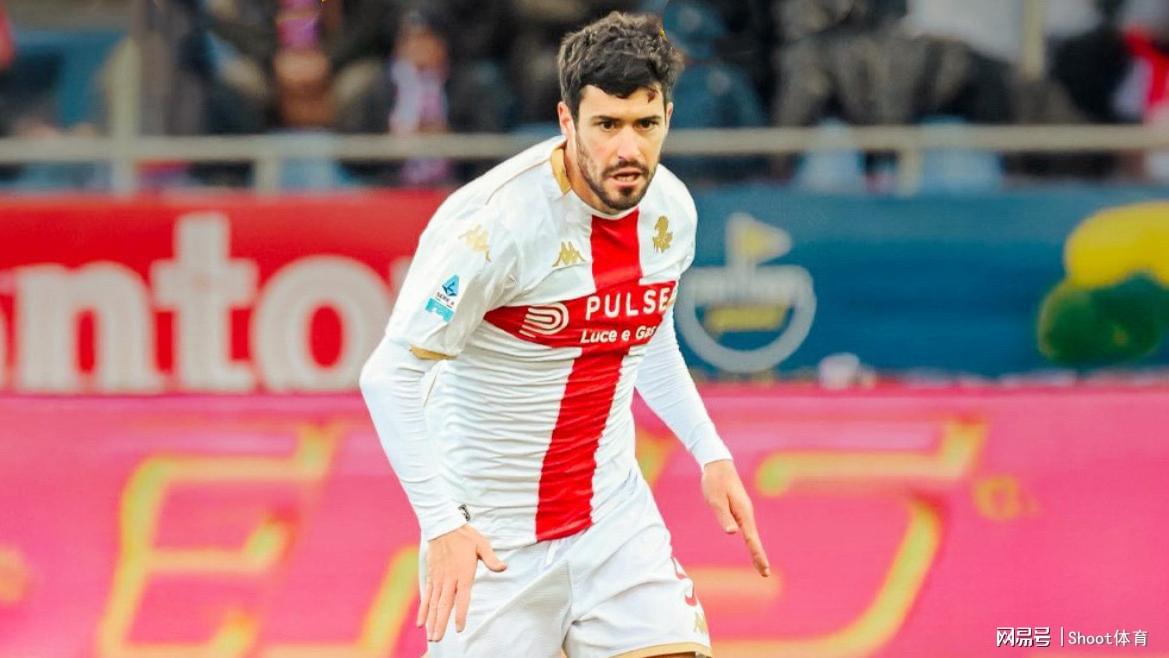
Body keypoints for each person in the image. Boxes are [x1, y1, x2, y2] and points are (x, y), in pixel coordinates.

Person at [359, 12, 769, 658]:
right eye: (606, 125)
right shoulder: (495, 227)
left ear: (668, 117)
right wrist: (440, 525)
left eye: (645, 124)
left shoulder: (671, 211)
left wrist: (709, 451)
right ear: (566, 120)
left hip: (612, 519)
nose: (628, 149)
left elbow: (644, 331)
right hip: (492, 538)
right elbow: (388, 376)